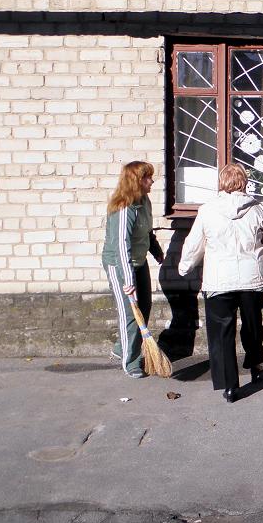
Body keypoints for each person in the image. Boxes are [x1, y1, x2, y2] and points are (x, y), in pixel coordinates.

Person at [178, 163, 263, 403]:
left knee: (221, 332)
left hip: (219, 280)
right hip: (251, 279)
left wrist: (184, 266)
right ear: (245, 182)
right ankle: (255, 365)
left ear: (221, 183)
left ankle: (230, 386)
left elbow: (194, 244)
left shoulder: (207, 210)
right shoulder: (258, 209)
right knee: (252, 326)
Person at [101, 161, 165, 378]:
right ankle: (131, 362)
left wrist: (156, 251)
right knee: (129, 313)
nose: (152, 181)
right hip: (119, 265)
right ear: (136, 181)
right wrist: (127, 280)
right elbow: (121, 246)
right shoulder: (123, 208)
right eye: (147, 178)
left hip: (139, 261)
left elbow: (147, 231)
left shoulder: (144, 202)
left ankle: (121, 348)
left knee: (144, 307)